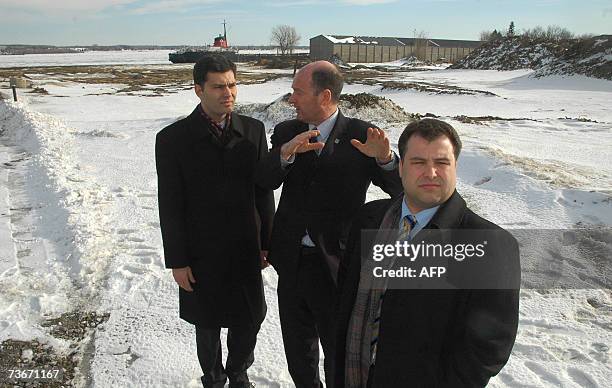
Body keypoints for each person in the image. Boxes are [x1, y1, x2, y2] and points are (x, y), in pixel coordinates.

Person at [335, 118, 521, 387]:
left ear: (455, 167)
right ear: (400, 167)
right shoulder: (370, 219)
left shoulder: (489, 244)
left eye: (442, 163)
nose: (431, 173)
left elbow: (488, 348)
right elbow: (345, 301)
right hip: (354, 374)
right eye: (418, 162)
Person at [255, 60, 403, 388]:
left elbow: (401, 190)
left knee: (337, 353)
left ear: (324, 96)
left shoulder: (360, 135)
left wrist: (385, 159)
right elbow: (264, 179)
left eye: (298, 91)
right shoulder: (285, 131)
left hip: (337, 265)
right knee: (298, 354)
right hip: (291, 262)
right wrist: (285, 155)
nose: (291, 97)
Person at [155, 54, 274, 388]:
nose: (229, 93)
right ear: (198, 90)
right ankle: (213, 376)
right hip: (201, 250)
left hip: (244, 245)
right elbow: (170, 204)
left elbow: (263, 190)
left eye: (233, 84)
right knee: (206, 322)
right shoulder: (172, 139)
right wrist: (177, 261)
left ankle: (238, 370)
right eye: (219, 86)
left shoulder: (253, 129)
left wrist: (267, 241)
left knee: (250, 315)